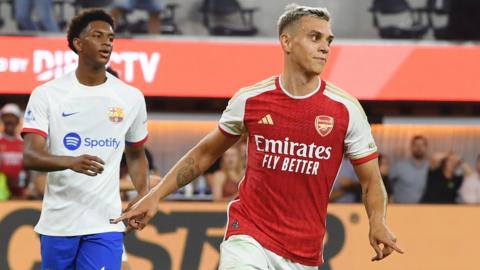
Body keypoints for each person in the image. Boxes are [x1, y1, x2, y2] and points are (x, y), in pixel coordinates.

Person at [114, 4, 403, 269]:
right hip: (249, 236)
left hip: (304, 252)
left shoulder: (346, 110)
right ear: (286, 42)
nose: (325, 48)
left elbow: (371, 180)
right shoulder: (251, 99)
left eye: (328, 40)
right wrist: (156, 195)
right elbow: (204, 154)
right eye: (315, 37)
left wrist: (377, 221)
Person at [22, 9, 150, 270]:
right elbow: (31, 155)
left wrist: (144, 196)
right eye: (98, 36)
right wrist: (70, 162)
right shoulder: (47, 94)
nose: (107, 43)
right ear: (78, 44)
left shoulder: (131, 97)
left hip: (106, 223)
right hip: (58, 223)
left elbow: (136, 155)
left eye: (111, 38)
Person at [0, 103, 30, 200]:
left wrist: (25, 186)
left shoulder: (24, 143)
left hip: (21, 189)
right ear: (2, 120)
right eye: (6, 117)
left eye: (13, 117)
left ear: (18, 120)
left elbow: (28, 169)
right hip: (2, 190)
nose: (10, 120)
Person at [390, 135, 429, 203]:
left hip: (423, 210)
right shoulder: (399, 166)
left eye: (422, 145)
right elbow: (386, 183)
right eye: (416, 145)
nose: (419, 148)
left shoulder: (429, 167)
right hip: (400, 209)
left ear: (426, 148)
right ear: (411, 147)